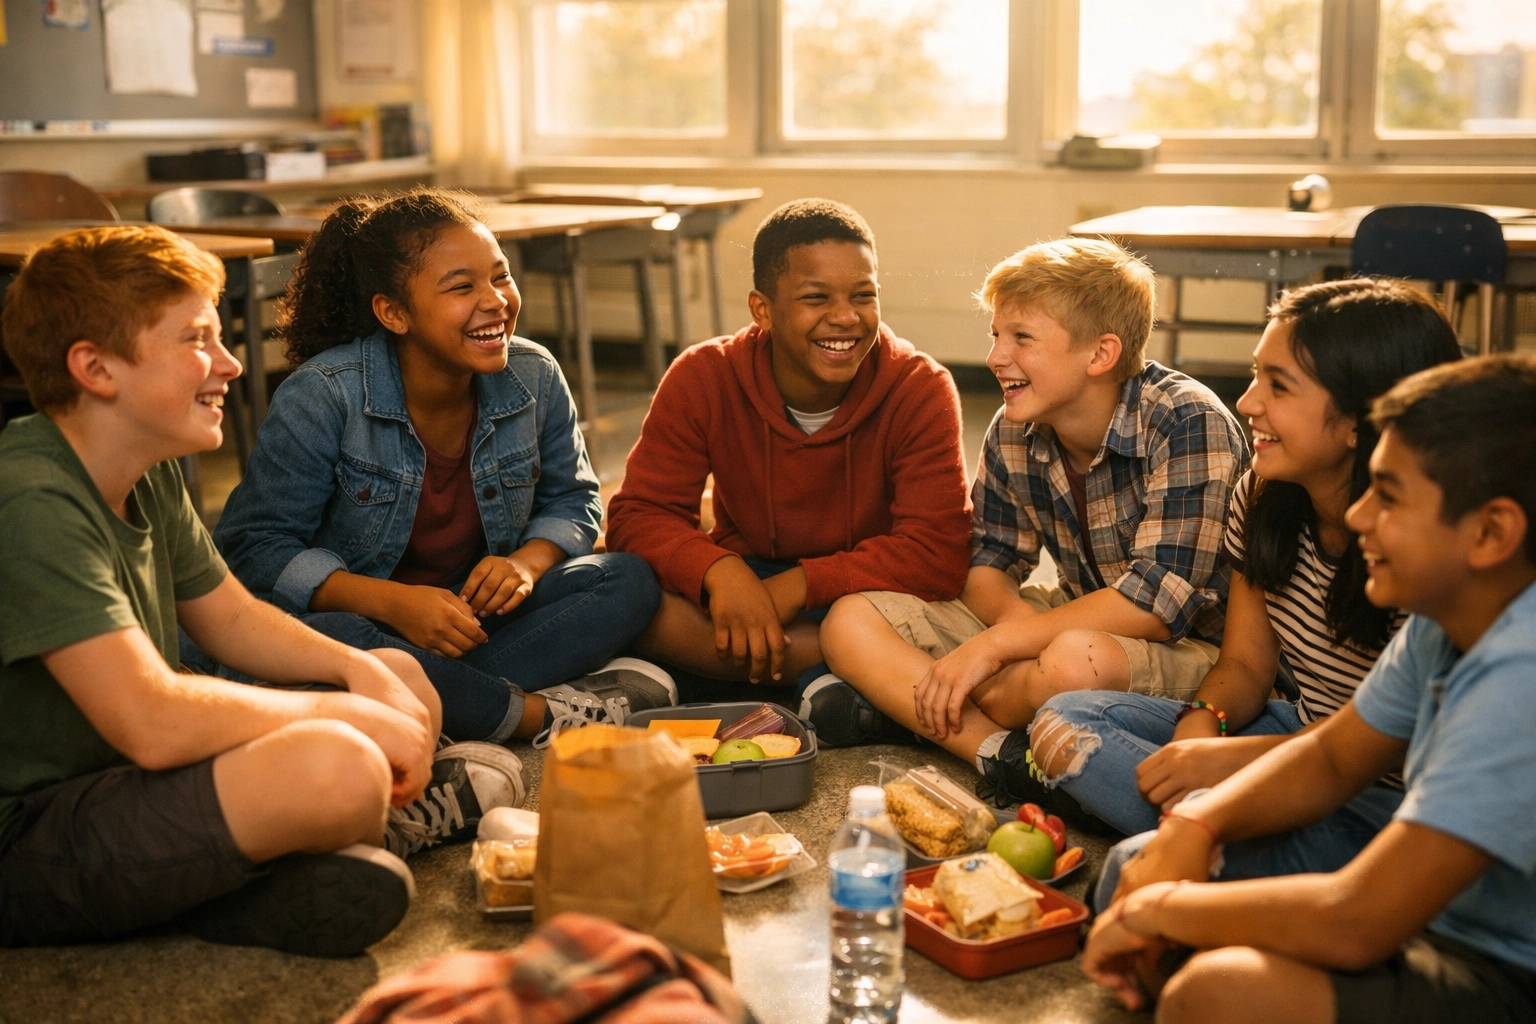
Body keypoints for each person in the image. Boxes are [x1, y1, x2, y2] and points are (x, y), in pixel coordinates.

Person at [0, 225, 484, 956]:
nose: (229, 364)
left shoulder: (143, 466)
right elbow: (151, 722)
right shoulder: (32, 500)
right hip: (28, 832)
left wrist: (361, 672)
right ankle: (272, 863)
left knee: (398, 672)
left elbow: (231, 618)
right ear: (95, 368)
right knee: (341, 764)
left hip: (118, 780)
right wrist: (342, 710)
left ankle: (242, 872)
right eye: (197, 340)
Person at [1082, 354, 1536, 1024]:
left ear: (1491, 532)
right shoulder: (1447, 618)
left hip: (1503, 965)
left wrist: (1166, 908)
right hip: (1429, 921)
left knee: (1212, 990)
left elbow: (1357, 921)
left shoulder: (1519, 675)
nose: (1360, 515)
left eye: (1389, 497)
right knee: (1142, 883)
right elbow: (1330, 757)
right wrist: (1198, 824)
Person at [214, 189, 674, 754]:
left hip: (469, 622)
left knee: (624, 578)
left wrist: (525, 564)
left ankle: (436, 703)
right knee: (334, 639)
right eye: (462, 287)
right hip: (370, 621)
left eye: (501, 277)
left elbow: (574, 499)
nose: (496, 301)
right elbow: (255, 548)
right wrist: (394, 603)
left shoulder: (534, 373)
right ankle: (530, 714)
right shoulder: (323, 394)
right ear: (394, 313)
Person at [1030, 279, 1463, 843]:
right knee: (1066, 724)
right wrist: (1203, 723)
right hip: (1295, 729)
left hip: (1384, 791)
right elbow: (1246, 666)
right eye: (1256, 374)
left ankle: (1200, 834)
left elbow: (1378, 750)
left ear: (1359, 421)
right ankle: (1213, 834)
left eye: (1278, 386)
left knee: (1130, 865)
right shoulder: (1261, 494)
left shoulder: (1423, 548)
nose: (1247, 402)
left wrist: (1229, 765)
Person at [821, 237, 1248, 794]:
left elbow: (1156, 606)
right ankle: (999, 752)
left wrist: (994, 649)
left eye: (1022, 338)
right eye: (995, 336)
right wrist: (1013, 629)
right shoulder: (1013, 427)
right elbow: (988, 564)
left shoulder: (1187, 420)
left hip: (1193, 649)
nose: (996, 357)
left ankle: (919, 705)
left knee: (1072, 661)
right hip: (1075, 617)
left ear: (1100, 354)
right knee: (849, 620)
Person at [604, 198, 972, 747]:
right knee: (625, 591)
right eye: (816, 298)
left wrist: (796, 587)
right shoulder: (704, 375)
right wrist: (720, 573)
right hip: (746, 581)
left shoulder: (920, 387)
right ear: (763, 310)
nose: (845, 317)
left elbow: (936, 550)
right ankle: (836, 680)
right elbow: (638, 514)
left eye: (863, 295)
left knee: (901, 621)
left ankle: (723, 674)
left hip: (861, 594)